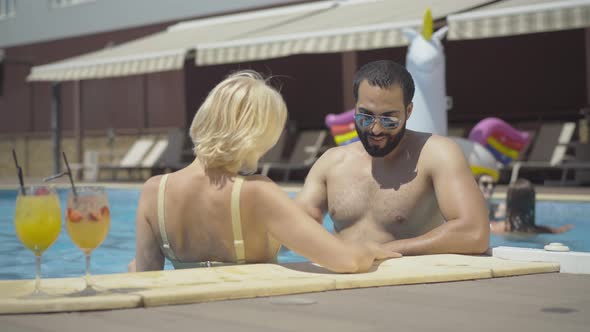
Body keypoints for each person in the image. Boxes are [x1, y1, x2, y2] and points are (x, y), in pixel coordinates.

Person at [130, 70, 400, 273]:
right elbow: (346, 261)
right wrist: (367, 250)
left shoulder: (155, 190)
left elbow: (144, 272)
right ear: (260, 135)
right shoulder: (256, 192)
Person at [296, 60, 490, 255]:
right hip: (343, 281)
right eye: (365, 116)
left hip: (406, 283)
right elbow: (294, 224)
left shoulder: (436, 155)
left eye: (388, 119)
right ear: (354, 108)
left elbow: (474, 233)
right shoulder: (332, 162)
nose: (375, 129)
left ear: (408, 111)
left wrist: (380, 252)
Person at [489, 178, 573, 234]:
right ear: (531, 202)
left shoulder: (493, 228)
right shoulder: (540, 231)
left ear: (509, 200)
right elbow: (560, 230)